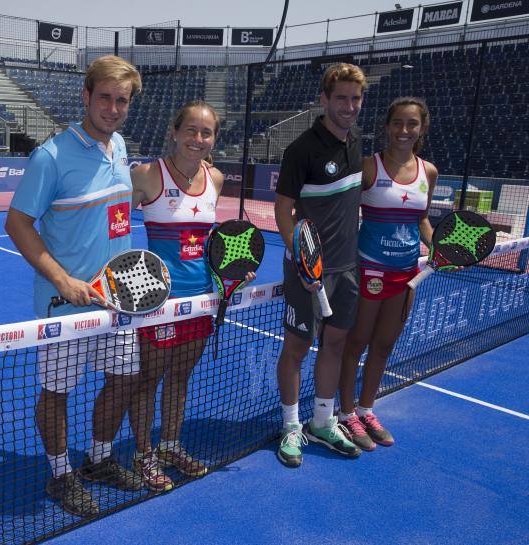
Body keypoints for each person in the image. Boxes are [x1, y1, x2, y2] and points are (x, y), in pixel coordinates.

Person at [5, 55, 145, 517]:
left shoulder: (119, 146)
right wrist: (63, 280)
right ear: (86, 97)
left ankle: (99, 460)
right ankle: (61, 473)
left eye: (121, 100)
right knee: (57, 392)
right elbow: (18, 223)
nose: (112, 108)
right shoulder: (50, 156)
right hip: (64, 307)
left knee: (124, 380)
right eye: (104, 97)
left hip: (118, 300)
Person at [130, 101, 255, 490]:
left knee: (181, 377)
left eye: (206, 133)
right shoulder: (147, 175)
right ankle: (143, 454)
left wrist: (232, 273)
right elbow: (111, 228)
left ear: (214, 138)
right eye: (191, 130)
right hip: (158, 304)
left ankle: (170, 445)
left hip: (201, 301)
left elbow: (210, 246)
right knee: (148, 380)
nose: (197, 139)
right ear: (175, 131)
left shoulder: (215, 179)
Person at [273, 63, 367, 468]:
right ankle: (291, 426)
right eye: (341, 98)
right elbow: (282, 212)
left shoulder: (359, 141)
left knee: (335, 344)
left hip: (347, 268)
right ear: (324, 100)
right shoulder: (302, 149)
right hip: (308, 271)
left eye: (355, 98)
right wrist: (303, 258)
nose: (349, 106)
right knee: (296, 347)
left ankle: (323, 422)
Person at [338, 97, 437, 450]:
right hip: (369, 270)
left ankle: (367, 408)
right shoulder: (369, 167)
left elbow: (422, 219)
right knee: (357, 343)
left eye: (412, 124)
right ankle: (346, 413)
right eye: (398, 123)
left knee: (383, 345)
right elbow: (345, 213)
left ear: (422, 128)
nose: (404, 131)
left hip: (406, 275)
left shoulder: (428, 172)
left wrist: (436, 244)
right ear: (387, 126)